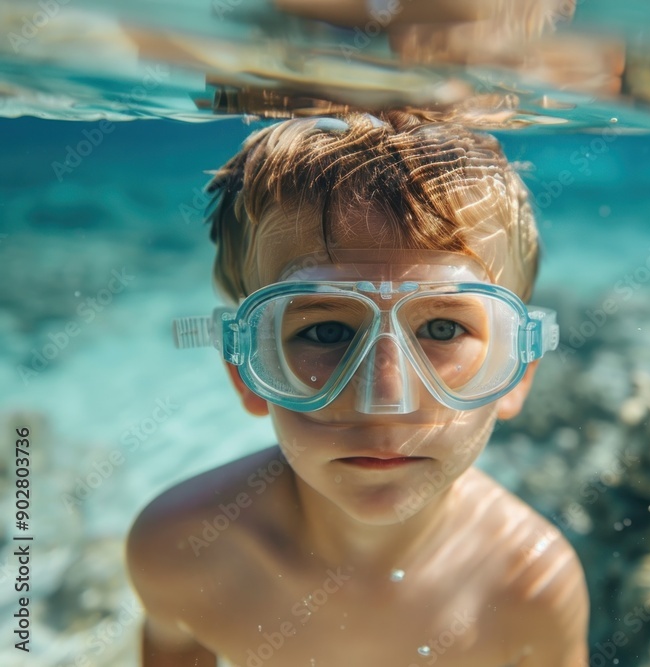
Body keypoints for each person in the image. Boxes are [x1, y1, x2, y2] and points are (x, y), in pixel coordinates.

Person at [125, 111, 589, 667]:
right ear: (246, 369)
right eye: (326, 330)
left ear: (518, 371)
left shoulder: (532, 585)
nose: (385, 397)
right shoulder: (182, 550)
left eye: (442, 329)